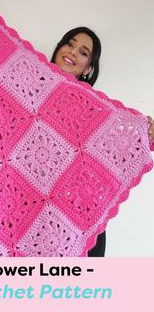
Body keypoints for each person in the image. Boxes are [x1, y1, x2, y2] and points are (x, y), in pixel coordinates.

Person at [50, 26, 154, 256]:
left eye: (83, 52)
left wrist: (147, 132)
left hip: (79, 214)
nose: (73, 52)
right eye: (70, 43)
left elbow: (127, 141)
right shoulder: (24, 90)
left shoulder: (95, 112)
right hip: (29, 207)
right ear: (59, 47)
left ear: (89, 67)